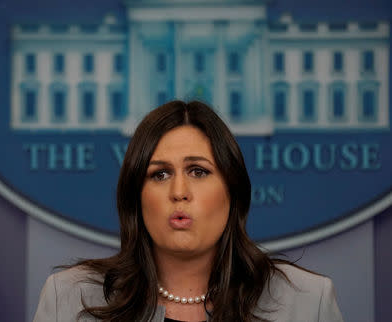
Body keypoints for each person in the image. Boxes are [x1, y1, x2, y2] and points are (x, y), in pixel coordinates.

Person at [33, 100, 344, 322]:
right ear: (136, 198)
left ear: (232, 191)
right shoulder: (69, 299)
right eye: (160, 174)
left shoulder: (308, 302)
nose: (179, 192)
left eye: (198, 171)